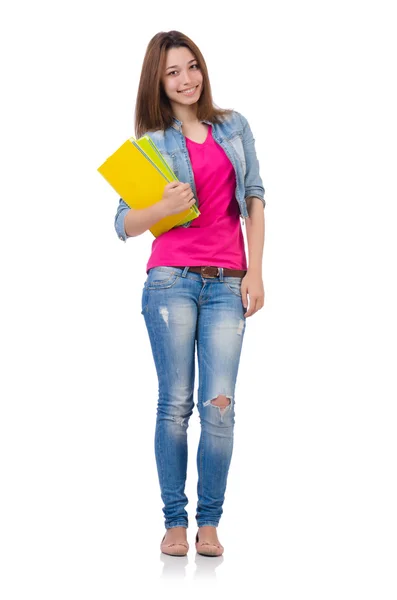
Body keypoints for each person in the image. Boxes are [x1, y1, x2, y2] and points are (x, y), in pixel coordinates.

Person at [114, 30, 266, 557]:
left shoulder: (234, 126)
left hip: (228, 282)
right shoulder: (149, 144)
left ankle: (209, 523)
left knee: (219, 406)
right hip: (170, 283)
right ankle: (174, 522)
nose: (185, 79)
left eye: (191, 66)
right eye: (172, 72)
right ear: (158, 81)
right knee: (175, 404)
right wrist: (160, 207)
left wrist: (256, 272)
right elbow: (124, 223)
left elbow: (255, 198)